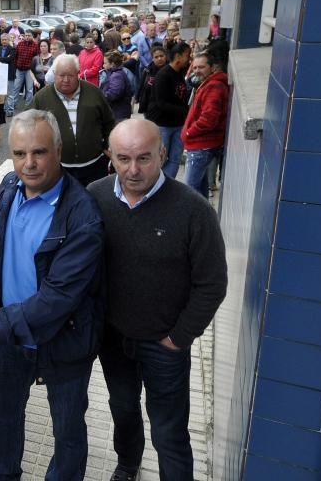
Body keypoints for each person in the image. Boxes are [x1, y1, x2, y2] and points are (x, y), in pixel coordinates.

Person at [0, 109, 106, 481]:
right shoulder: (11, 187)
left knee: (68, 431)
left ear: (58, 151)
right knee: (7, 415)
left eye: (39, 152)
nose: (27, 164)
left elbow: (57, 299)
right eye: (18, 154)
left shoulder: (83, 217)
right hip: (12, 339)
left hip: (62, 342)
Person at [88, 120, 227, 481]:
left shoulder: (194, 211)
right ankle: (128, 465)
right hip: (114, 340)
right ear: (110, 157)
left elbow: (212, 284)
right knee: (123, 410)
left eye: (144, 158)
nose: (133, 170)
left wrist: (179, 338)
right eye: (123, 159)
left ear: (163, 154)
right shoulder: (95, 197)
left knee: (169, 432)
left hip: (164, 345)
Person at [29, 54, 115, 186]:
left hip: (94, 167)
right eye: (61, 75)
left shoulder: (94, 93)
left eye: (70, 75)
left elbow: (109, 123)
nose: (66, 80)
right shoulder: (41, 98)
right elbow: (30, 130)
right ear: (54, 74)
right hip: (57, 168)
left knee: (94, 203)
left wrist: (107, 146)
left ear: (78, 74)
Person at [181, 52, 230, 198]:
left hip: (201, 146)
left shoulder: (213, 87)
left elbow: (209, 118)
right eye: (194, 67)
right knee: (200, 190)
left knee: (188, 192)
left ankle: (192, 220)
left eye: (201, 67)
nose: (196, 71)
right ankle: (205, 219)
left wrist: (189, 132)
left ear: (213, 67)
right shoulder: (209, 84)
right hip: (202, 145)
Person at [145, 42, 192, 179]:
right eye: (186, 56)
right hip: (163, 124)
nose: (189, 59)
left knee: (175, 159)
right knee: (160, 159)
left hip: (179, 125)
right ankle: (155, 185)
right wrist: (185, 111)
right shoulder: (163, 75)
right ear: (178, 56)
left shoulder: (180, 73)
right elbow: (161, 103)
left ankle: (167, 186)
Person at [100, 50, 136, 122]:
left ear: (112, 64)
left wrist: (100, 97)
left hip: (119, 114)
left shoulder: (117, 76)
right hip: (118, 112)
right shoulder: (113, 74)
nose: (103, 65)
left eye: (105, 63)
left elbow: (113, 94)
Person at [9, 29, 39, 111]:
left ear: (32, 36)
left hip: (29, 70)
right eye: (26, 35)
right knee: (16, 87)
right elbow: (16, 56)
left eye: (29, 35)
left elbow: (37, 59)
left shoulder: (35, 45)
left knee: (29, 89)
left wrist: (34, 70)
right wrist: (16, 65)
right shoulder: (20, 44)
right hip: (19, 69)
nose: (27, 37)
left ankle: (28, 106)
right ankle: (13, 104)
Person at [0, 33, 17, 117]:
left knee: (10, 93)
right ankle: (4, 108)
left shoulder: (12, 49)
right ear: (0, 41)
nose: (4, 41)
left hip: (9, 74)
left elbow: (9, 59)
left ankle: (10, 110)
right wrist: (3, 59)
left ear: (8, 40)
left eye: (5, 39)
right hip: (0, 74)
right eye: (2, 40)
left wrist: (0, 58)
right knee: (2, 93)